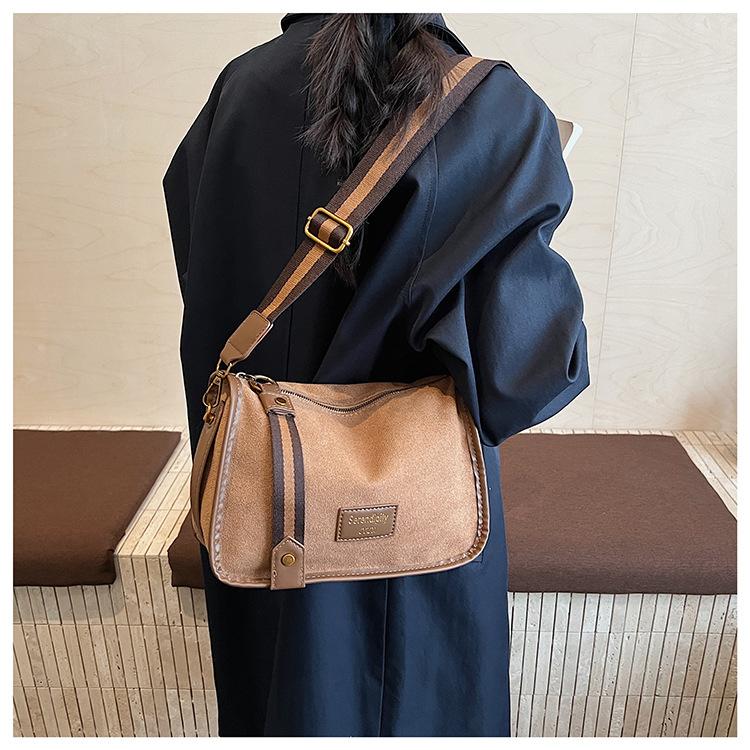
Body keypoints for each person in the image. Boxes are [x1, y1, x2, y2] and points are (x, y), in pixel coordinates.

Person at [163, 12, 589, 737]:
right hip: (419, 531)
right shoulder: (494, 107)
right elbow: (521, 378)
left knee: (273, 702)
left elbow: (208, 287)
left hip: (261, 503)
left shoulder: (239, 87)